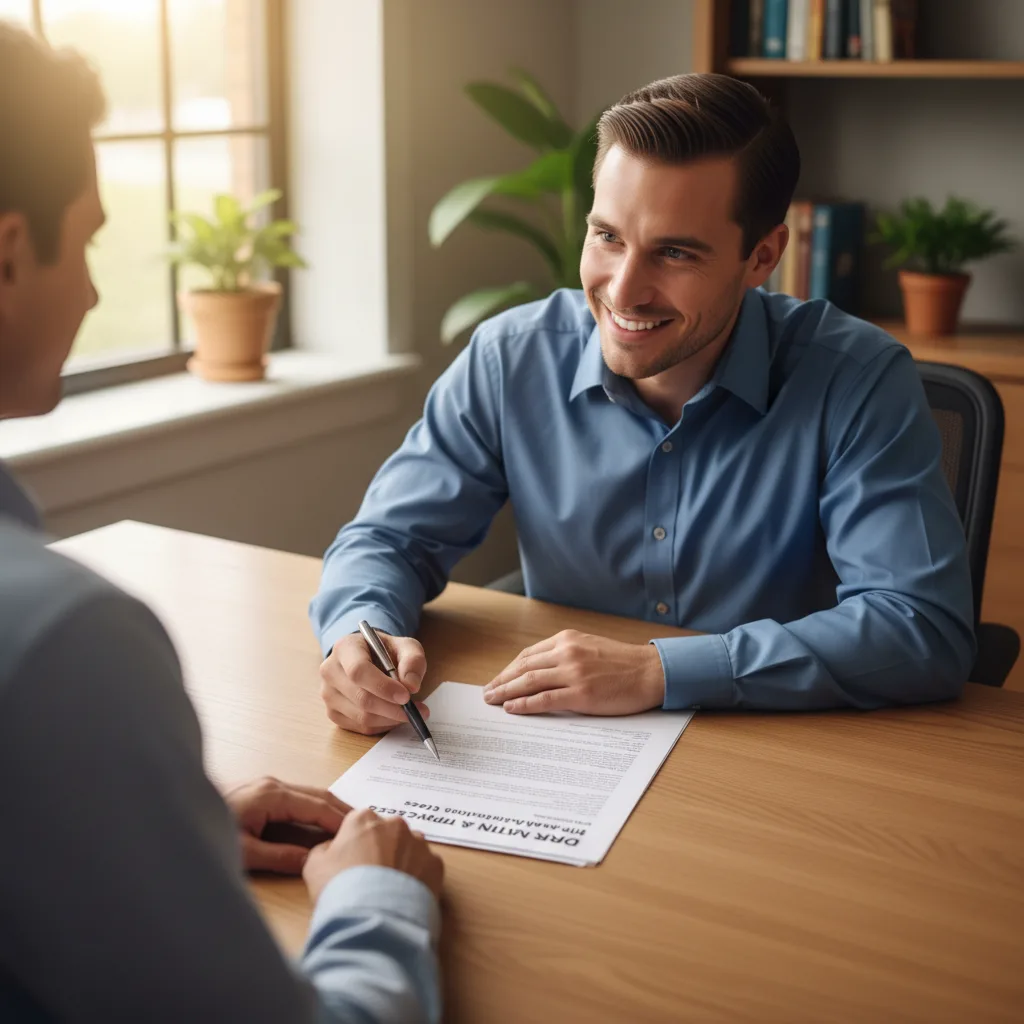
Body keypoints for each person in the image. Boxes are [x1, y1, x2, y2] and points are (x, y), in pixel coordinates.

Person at [0, 22, 442, 1023]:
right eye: (93, 239)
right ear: (11, 253)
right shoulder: (60, 643)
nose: (97, 289)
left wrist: (141, 833)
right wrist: (382, 897)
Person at [313, 73, 976, 732]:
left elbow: (921, 626)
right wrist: (356, 637)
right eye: (608, 237)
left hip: (773, 753)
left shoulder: (855, 379)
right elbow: (389, 539)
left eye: (676, 253)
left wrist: (658, 671)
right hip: (565, 750)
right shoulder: (510, 357)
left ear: (762, 256)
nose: (624, 291)